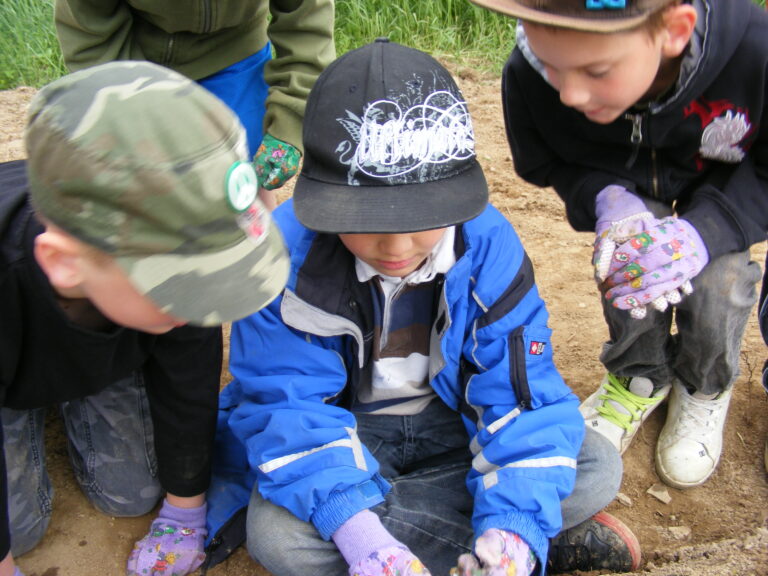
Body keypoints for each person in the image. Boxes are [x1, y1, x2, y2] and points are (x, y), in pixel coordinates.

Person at [204, 39, 642, 576]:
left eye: (419, 223)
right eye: (366, 224)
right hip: (348, 431)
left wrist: (512, 532)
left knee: (595, 464)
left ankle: (486, 540)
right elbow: (287, 409)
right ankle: (494, 543)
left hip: (454, 424)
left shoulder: (488, 247)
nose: (396, 249)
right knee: (276, 538)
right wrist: (363, 538)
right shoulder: (281, 259)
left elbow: (518, 395)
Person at [0, 61, 290, 576]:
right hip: (17, 345)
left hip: (97, 328)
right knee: (22, 530)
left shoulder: (180, 272)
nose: (204, 301)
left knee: (130, 495)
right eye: (176, 284)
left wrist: (185, 511)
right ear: (66, 264)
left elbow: (187, 384)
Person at [467, 0, 768, 489]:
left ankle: (703, 385)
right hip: (623, 180)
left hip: (723, 190)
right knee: (627, 259)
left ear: (674, 31)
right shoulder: (530, 68)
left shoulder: (757, 53)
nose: (569, 94)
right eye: (551, 68)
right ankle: (638, 375)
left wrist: (707, 230)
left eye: (596, 70)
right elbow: (544, 158)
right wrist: (604, 196)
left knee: (721, 280)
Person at [54, 0, 336, 209]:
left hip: (236, 50)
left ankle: (264, 273)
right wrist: (126, 114)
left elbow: (307, 21)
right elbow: (90, 32)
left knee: (247, 180)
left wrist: (291, 118)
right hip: (135, 56)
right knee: (148, 188)